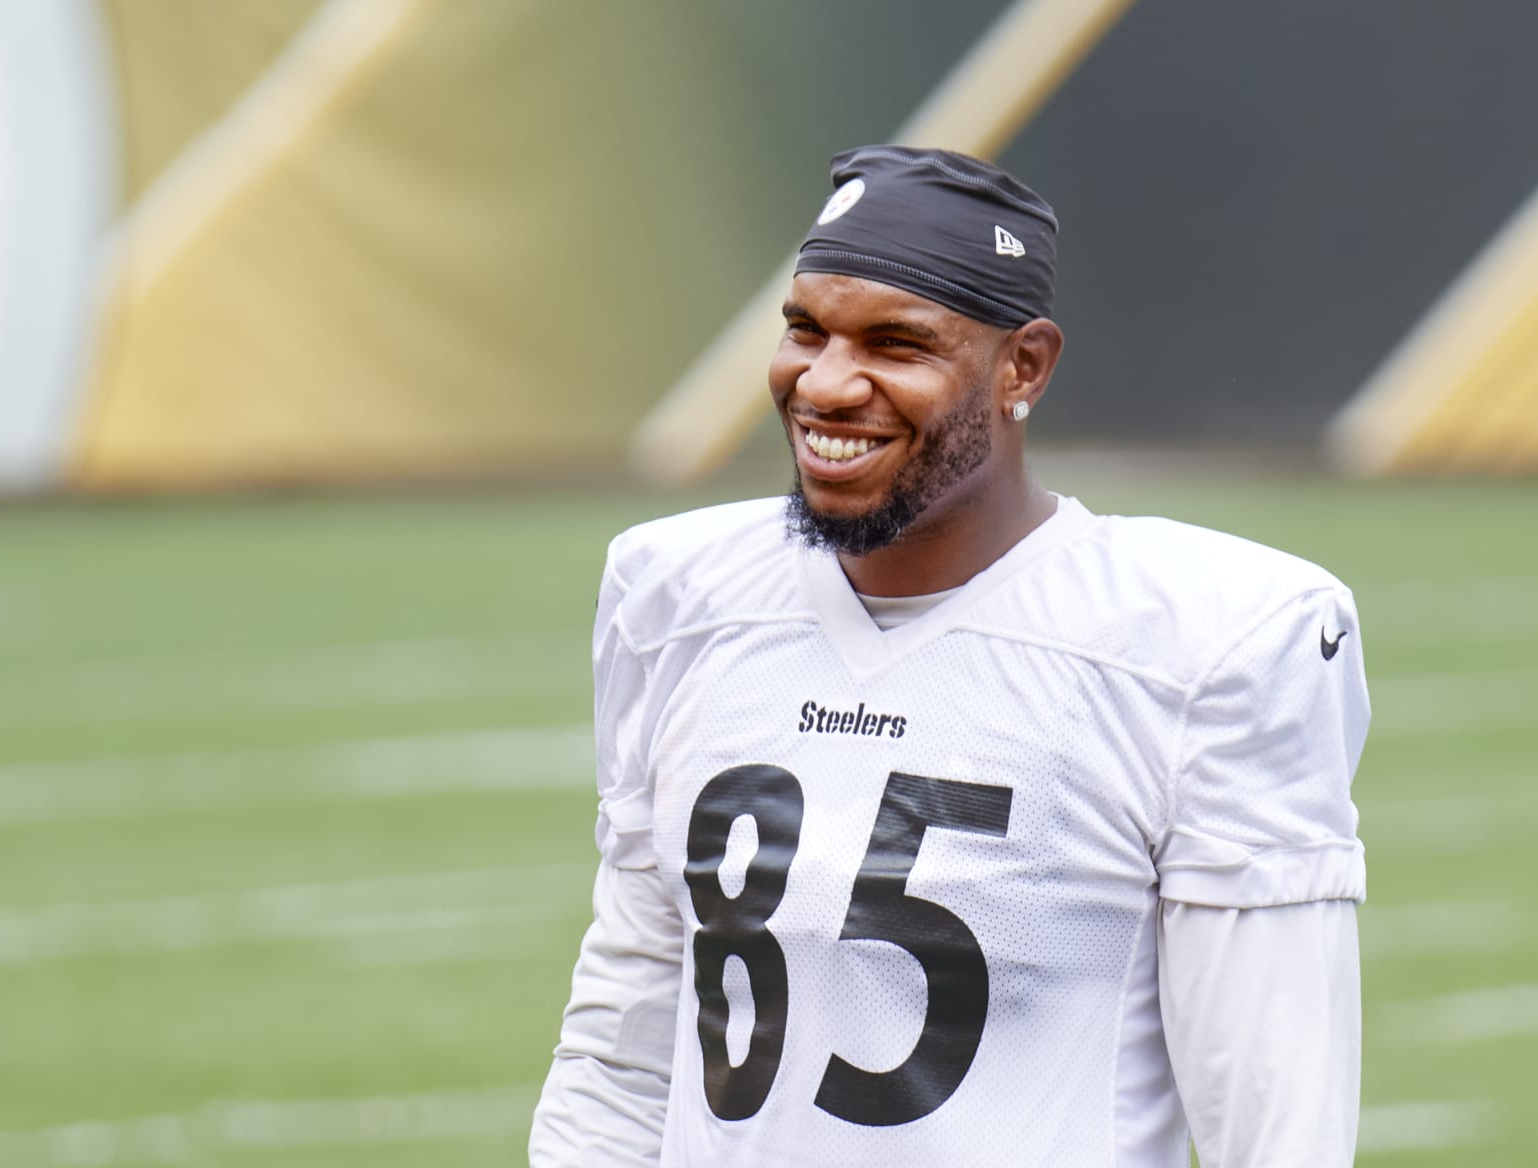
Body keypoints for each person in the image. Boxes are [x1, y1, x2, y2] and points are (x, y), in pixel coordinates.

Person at [529, 146, 1368, 1166]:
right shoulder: (678, 594)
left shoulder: (1203, 639)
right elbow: (628, 1030)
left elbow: (1276, 1118)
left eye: (898, 344)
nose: (828, 384)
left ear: (1025, 367)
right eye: (806, 331)